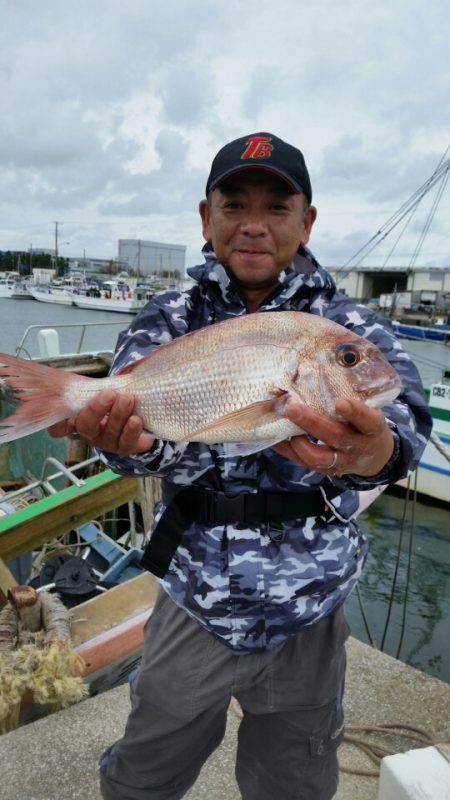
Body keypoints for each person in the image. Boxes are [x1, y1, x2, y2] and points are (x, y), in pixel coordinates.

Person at [50, 132, 431, 800]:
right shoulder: (166, 320)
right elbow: (152, 441)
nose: (254, 223)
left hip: (310, 609)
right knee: (144, 774)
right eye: (235, 204)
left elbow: (406, 423)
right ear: (207, 218)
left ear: (306, 221)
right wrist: (128, 443)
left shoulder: (348, 326)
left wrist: (376, 453)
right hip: (190, 596)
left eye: (277, 208)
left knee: (295, 780)